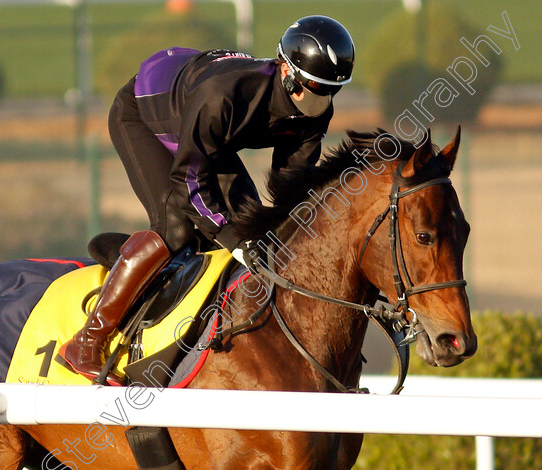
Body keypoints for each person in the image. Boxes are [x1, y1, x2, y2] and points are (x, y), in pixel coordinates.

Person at [60, 15, 355, 384]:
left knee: (253, 224)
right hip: (146, 116)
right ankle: (89, 339)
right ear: (285, 69)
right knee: (179, 227)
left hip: (204, 126)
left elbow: (289, 194)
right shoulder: (225, 96)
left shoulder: (315, 108)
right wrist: (234, 241)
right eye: (310, 87)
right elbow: (188, 180)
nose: (317, 102)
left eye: (328, 91)